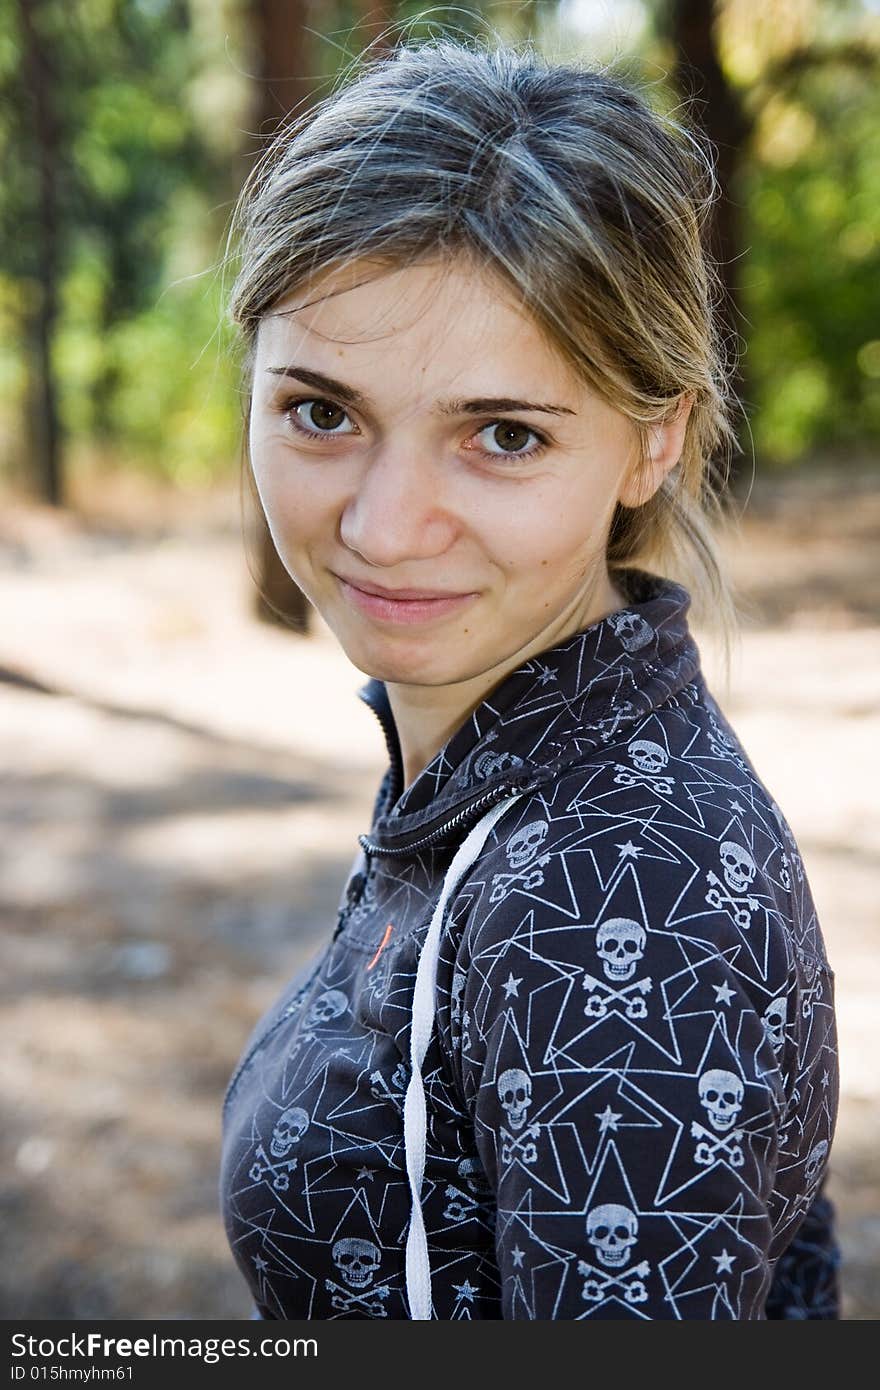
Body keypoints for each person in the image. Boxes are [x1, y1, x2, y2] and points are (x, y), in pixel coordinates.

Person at [218, 35, 841, 1319]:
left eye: (502, 436)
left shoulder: (617, 891)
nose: (385, 527)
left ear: (651, 438)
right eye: (322, 413)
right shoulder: (486, 765)